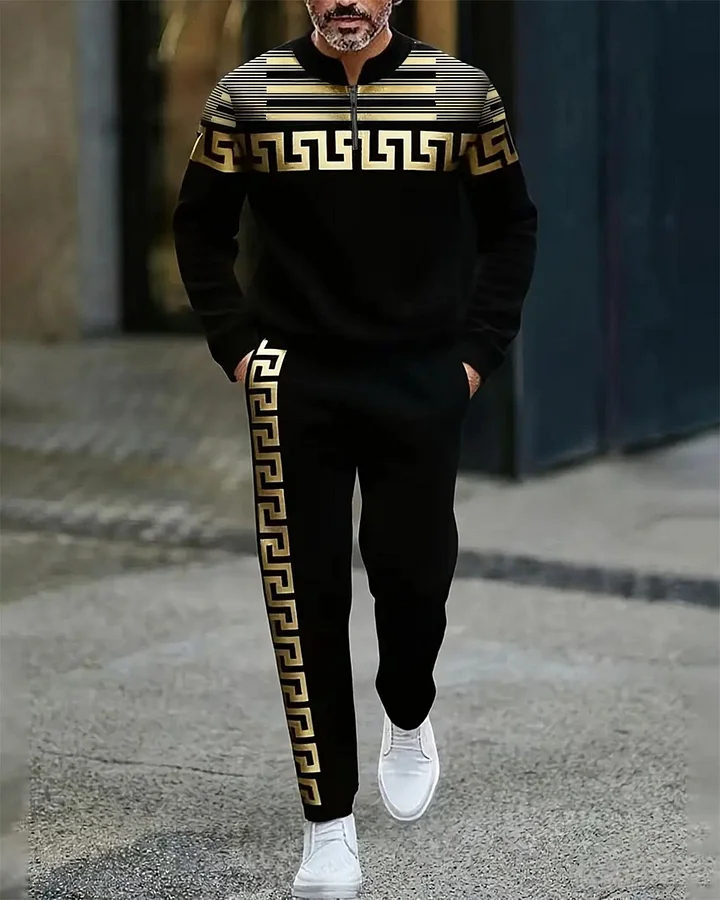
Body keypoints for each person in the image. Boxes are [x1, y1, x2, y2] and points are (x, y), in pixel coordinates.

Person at [173, 0, 537, 896]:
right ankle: (326, 822)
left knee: (413, 583)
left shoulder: (461, 94)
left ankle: (408, 711)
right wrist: (239, 350)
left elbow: (511, 227)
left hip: (420, 380)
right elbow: (199, 228)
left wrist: (473, 357)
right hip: (295, 384)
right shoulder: (248, 94)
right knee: (305, 599)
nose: (345, 0)